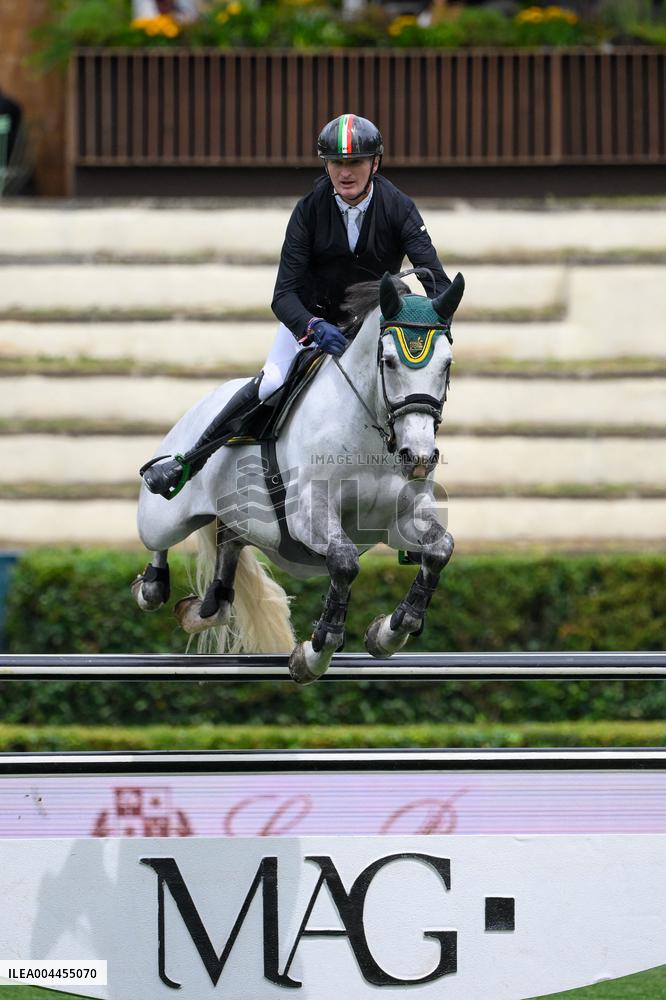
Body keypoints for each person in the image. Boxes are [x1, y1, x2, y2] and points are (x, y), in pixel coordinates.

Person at [141, 113, 451, 497]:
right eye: (336, 162)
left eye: (355, 162)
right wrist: (311, 326)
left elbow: (433, 276)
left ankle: (411, 501)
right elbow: (282, 294)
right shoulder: (308, 209)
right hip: (313, 318)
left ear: (375, 162)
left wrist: (434, 323)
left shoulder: (399, 207)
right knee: (271, 381)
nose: (345, 172)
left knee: (413, 386)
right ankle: (189, 462)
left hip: (370, 325)